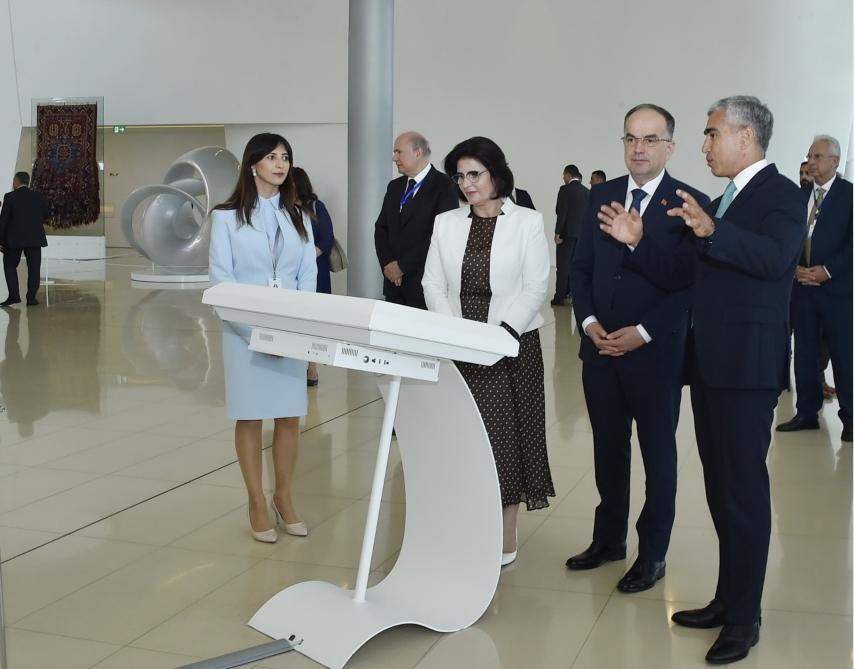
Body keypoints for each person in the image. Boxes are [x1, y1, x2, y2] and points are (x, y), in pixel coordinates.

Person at [600, 95, 804, 664]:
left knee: (743, 493)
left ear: (746, 137)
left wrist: (713, 230)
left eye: (713, 133)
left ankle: (745, 618)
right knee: (720, 489)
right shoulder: (721, 201)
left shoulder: (782, 195)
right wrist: (638, 241)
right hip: (711, 366)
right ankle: (726, 599)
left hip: (747, 369)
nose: (704, 145)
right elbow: (682, 274)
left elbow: (775, 258)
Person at [566, 104, 709, 595]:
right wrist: (589, 323)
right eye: (630, 138)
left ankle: (653, 554)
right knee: (608, 449)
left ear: (670, 146)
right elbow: (581, 267)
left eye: (650, 139)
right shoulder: (602, 194)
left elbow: (688, 284)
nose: (639, 148)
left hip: (654, 354)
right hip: (599, 350)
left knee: (658, 455)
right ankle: (609, 540)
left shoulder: (689, 203)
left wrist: (644, 332)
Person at [422, 136, 554, 567]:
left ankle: (504, 532)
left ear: (496, 174)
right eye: (460, 176)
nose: (467, 183)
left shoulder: (528, 222)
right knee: (461, 438)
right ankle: (466, 525)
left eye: (474, 174)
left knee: (506, 441)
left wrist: (498, 336)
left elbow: (536, 286)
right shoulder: (446, 223)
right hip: (459, 345)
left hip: (511, 347)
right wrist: (455, 333)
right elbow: (432, 284)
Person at [209, 133, 317, 543]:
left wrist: (292, 330)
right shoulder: (226, 218)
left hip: (290, 331)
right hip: (244, 334)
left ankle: (284, 496)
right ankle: (256, 499)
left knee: (289, 416)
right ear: (252, 164)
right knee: (250, 415)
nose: (280, 164)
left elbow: (307, 276)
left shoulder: (299, 217)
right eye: (271, 157)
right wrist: (259, 336)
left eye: (285, 157)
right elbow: (222, 281)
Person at [777, 135, 852, 442]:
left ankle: (850, 418)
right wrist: (794, 267)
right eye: (809, 156)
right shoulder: (800, 195)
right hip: (802, 288)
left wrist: (826, 271)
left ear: (835, 161)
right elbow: (787, 235)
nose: (811, 162)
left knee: (843, 355)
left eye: (818, 157)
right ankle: (807, 413)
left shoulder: (849, 195)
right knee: (805, 354)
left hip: (837, 291)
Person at [374, 132, 459, 309]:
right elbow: (381, 228)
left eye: (399, 152)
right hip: (394, 285)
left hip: (424, 286)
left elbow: (439, 236)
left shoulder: (445, 186)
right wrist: (388, 265)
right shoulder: (394, 186)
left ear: (418, 152)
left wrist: (402, 266)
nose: (394, 158)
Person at [292, 166, 334, 387]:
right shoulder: (281, 208)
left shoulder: (316, 207)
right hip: (290, 274)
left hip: (316, 272)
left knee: (313, 320)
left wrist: (306, 258)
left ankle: (312, 367)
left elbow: (327, 239)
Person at [0, 172, 49, 306]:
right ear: (28, 182)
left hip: (13, 239)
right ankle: (31, 298)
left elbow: (3, 220)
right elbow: (46, 214)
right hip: (35, 238)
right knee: (34, 269)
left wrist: (1, 240)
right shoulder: (39, 197)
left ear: (16, 182)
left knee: (10, 266)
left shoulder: (10, 197)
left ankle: (14, 296)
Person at [552, 164, 589, 305]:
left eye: (564, 175)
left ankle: (559, 297)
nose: (563, 178)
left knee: (562, 267)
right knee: (576, 267)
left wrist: (558, 233)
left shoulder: (564, 190)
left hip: (566, 235)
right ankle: (572, 295)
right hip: (581, 236)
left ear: (568, 175)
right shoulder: (586, 191)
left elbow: (561, 212)